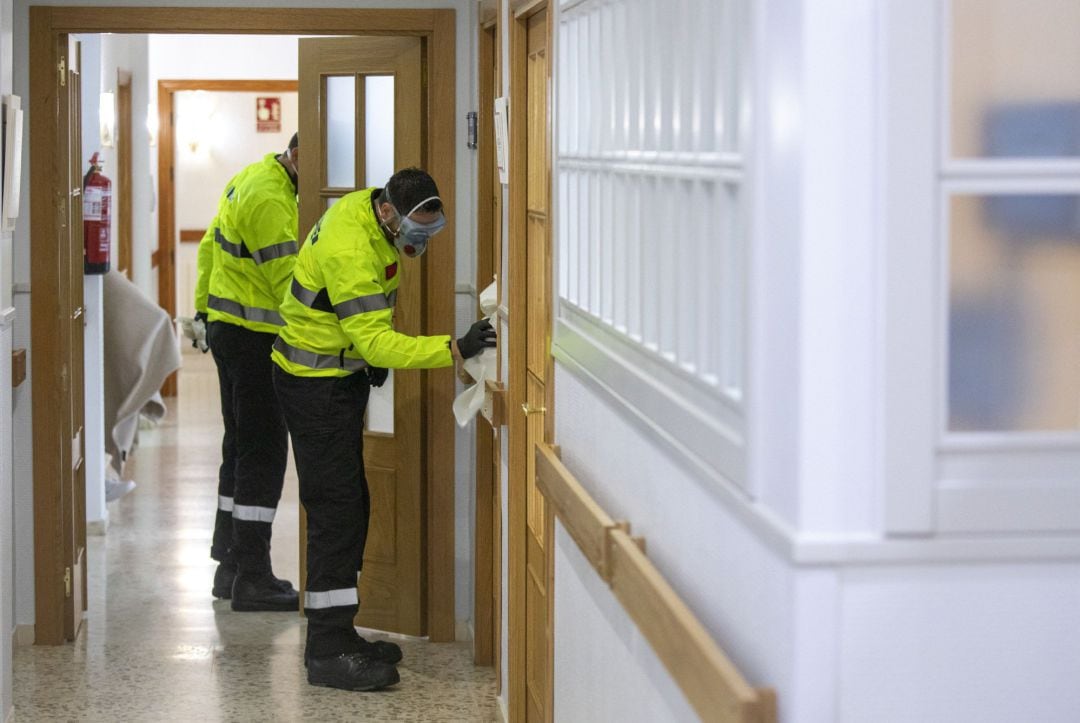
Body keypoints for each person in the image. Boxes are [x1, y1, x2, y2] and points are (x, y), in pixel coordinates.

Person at [271, 167, 496, 692]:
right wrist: (454, 349)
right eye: (417, 231)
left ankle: (340, 633)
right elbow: (374, 340)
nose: (420, 242)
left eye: (430, 231)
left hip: (332, 377)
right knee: (337, 512)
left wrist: (360, 350)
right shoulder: (353, 247)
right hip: (314, 385)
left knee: (350, 506)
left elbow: (359, 320)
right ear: (390, 212)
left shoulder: (368, 214)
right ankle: (327, 651)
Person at [193, 133, 301, 612]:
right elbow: (291, 283)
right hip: (256, 341)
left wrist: (203, 314)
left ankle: (231, 565)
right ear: (297, 157)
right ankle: (253, 575)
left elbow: (205, 249)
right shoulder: (271, 199)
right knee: (262, 453)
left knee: (238, 449)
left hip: (229, 332)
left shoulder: (248, 178)